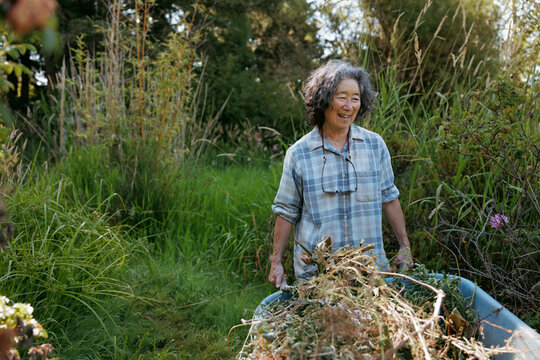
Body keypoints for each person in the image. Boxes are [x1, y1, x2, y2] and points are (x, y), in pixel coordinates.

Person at [268, 59, 413, 288]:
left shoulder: (375, 146)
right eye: (341, 97)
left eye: (355, 98)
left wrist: (405, 246)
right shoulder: (300, 154)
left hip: (370, 275)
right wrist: (276, 261)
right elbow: (286, 212)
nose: (349, 106)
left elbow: (389, 199)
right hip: (318, 278)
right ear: (323, 100)